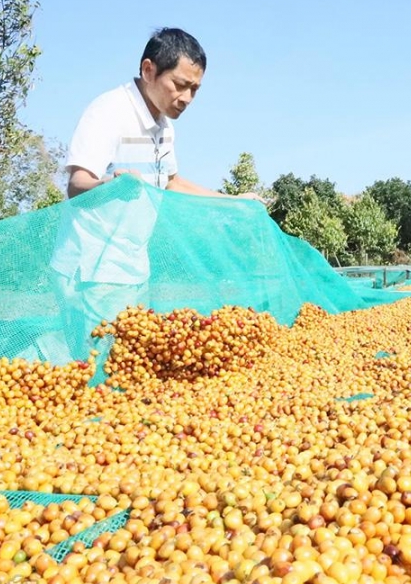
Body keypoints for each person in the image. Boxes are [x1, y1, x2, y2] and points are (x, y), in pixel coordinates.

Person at [47, 27, 263, 360]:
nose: (187, 98)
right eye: (180, 85)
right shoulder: (109, 112)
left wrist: (234, 201)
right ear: (148, 70)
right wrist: (110, 187)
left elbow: (172, 182)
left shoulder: (164, 128)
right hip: (93, 271)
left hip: (132, 267)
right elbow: (78, 184)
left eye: (195, 89)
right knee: (100, 365)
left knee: (132, 364)